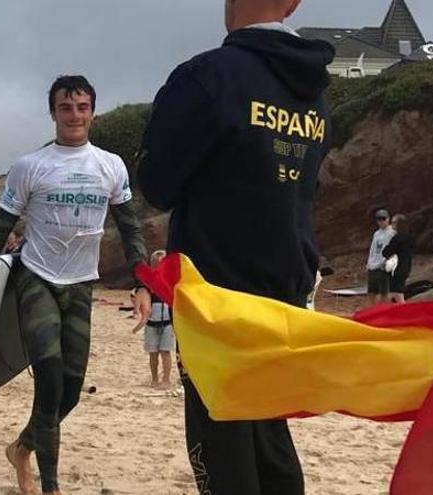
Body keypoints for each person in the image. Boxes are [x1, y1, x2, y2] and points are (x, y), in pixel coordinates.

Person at [137, 0, 335, 492]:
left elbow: (158, 183)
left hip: (216, 297)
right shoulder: (314, 94)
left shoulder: (207, 77)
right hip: (285, 291)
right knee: (269, 430)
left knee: (221, 439)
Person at [0, 75, 150, 495]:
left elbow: (130, 228)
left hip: (80, 286)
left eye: (82, 107)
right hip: (37, 277)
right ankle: (50, 487)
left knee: (69, 392)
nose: (75, 115)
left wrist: (144, 284)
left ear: (92, 111)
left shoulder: (110, 165)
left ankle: (22, 447)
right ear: (52, 112)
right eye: (66, 108)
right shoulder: (31, 166)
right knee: (50, 378)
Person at [132, 250, 175, 389]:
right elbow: (135, 294)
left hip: (167, 323)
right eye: (156, 264)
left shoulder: (172, 281)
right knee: (153, 353)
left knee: (166, 352)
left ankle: (166, 379)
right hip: (151, 323)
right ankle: (155, 379)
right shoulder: (147, 284)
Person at [367, 208, 395, 305]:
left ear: (388, 219)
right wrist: (369, 263)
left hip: (383, 265)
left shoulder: (392, 233)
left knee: (384, 292)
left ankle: (383, 311)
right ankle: (371, 310)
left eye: (384, 219)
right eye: (379, 219)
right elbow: (373, 249)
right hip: (373, 264)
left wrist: (388, 262)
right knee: (371, 291)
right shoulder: (377, 233)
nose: (381, 221)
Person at [383, 213, 413, 303]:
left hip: (396, 268)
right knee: (396, 293)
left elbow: (386, 252)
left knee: (396, 294)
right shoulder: (409, 237)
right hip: (406, 267)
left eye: (394, 222)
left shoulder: (397, 238)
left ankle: (403, 312)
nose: (392, 225)